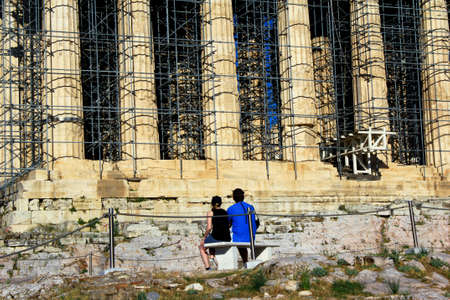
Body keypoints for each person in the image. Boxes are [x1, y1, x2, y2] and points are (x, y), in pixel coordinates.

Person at [199, 196, 231, 270]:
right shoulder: (225, 212)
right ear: (220, 203)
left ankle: (208, 268)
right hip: (227, 238)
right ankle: (212, 257)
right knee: (211, 237)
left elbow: (209, 228)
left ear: (212, 203)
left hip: (217, 238)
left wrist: (204, 238)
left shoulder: (211, 213)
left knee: (201, 247)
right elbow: (228, 225)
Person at [227, 188, 257, 265]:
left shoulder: (231, 209)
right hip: (251, 235)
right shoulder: (251, 207)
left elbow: (228, 223)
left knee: (240, 242)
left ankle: (245, 261)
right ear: (243, 197)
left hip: (239, 236)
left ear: (233, 197)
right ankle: (248, 261)